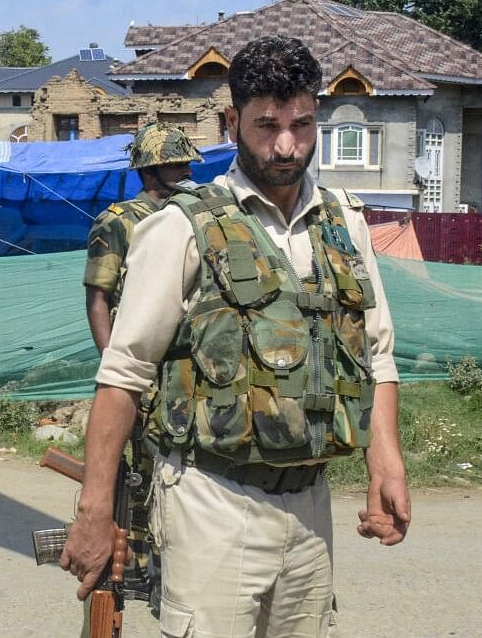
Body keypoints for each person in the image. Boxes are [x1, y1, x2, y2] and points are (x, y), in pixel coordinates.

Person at [61, 35, 410, 636]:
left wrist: (387, 465)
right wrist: (94, 509)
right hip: (211, 501)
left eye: (302, 125)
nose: (285, 145)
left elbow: (375, 355)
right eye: (266, 124)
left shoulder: (344, 221)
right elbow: (123, 374)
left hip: (310, 503)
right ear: (232, 121)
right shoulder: (182, 226)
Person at [81, 122, 202, 609]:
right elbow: (98, 297)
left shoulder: (195, 215)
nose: (188, 171)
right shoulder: (118, 221)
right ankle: (135, 571)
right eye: (178, 163)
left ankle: (176, 572)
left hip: (187, 372)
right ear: (152, 168)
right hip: (140, 372)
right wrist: (118, 370)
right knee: (138, 478)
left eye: (188, 163)